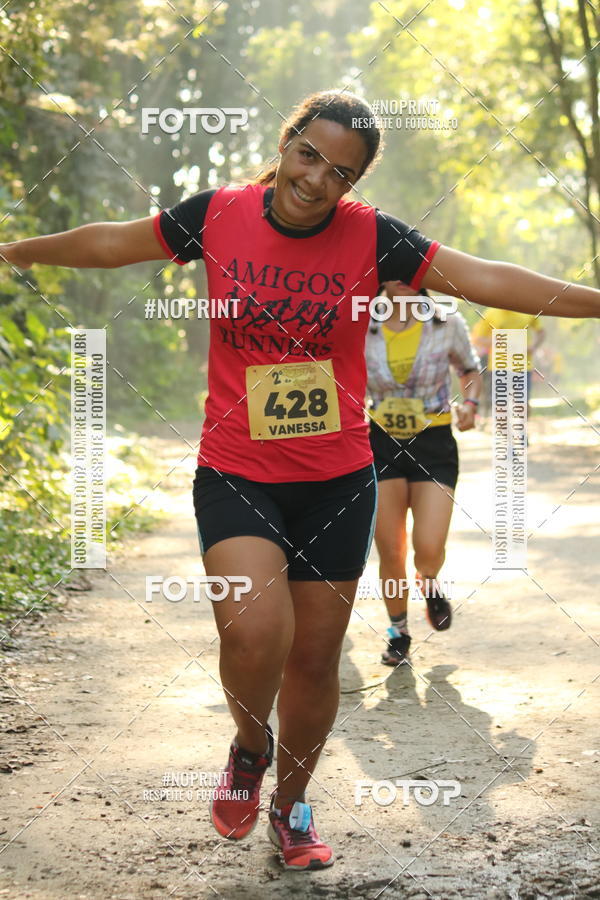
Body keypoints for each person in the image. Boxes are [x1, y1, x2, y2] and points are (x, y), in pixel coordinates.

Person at [2, 89, 600, 873]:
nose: (317, 179)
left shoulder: (374, 238)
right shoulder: (217, 214)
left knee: (313, 662)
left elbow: (481, 277)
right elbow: (116, 242)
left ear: (354, 185)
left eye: (339, 172)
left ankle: (291, 808)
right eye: (308, 154)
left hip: (337, 478)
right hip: (236, 469)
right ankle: (250, 748)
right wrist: (15, 251)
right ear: (286, 145)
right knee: (253, 634)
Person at [366, 282, 482, 666]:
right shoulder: (362, 320)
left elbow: (468, 370)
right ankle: (398, 633)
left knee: (428, 547)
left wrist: (470, 404)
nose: (401, 282)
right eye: (393, 273)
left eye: (408, 273)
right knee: (391, 548)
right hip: (380, 443)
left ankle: (429, 583)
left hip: (433, 444)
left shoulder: (445, 321)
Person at [471, 308, 545, 417]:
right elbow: (477, 338)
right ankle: (504, 433)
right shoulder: (491, 312)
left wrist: (533, 347)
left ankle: (520, 432)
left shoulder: (527, 310)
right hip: (499, 366)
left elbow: (541, 332)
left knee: (522, 404)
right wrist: (501, 341)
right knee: (500, 406)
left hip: (523, 366)